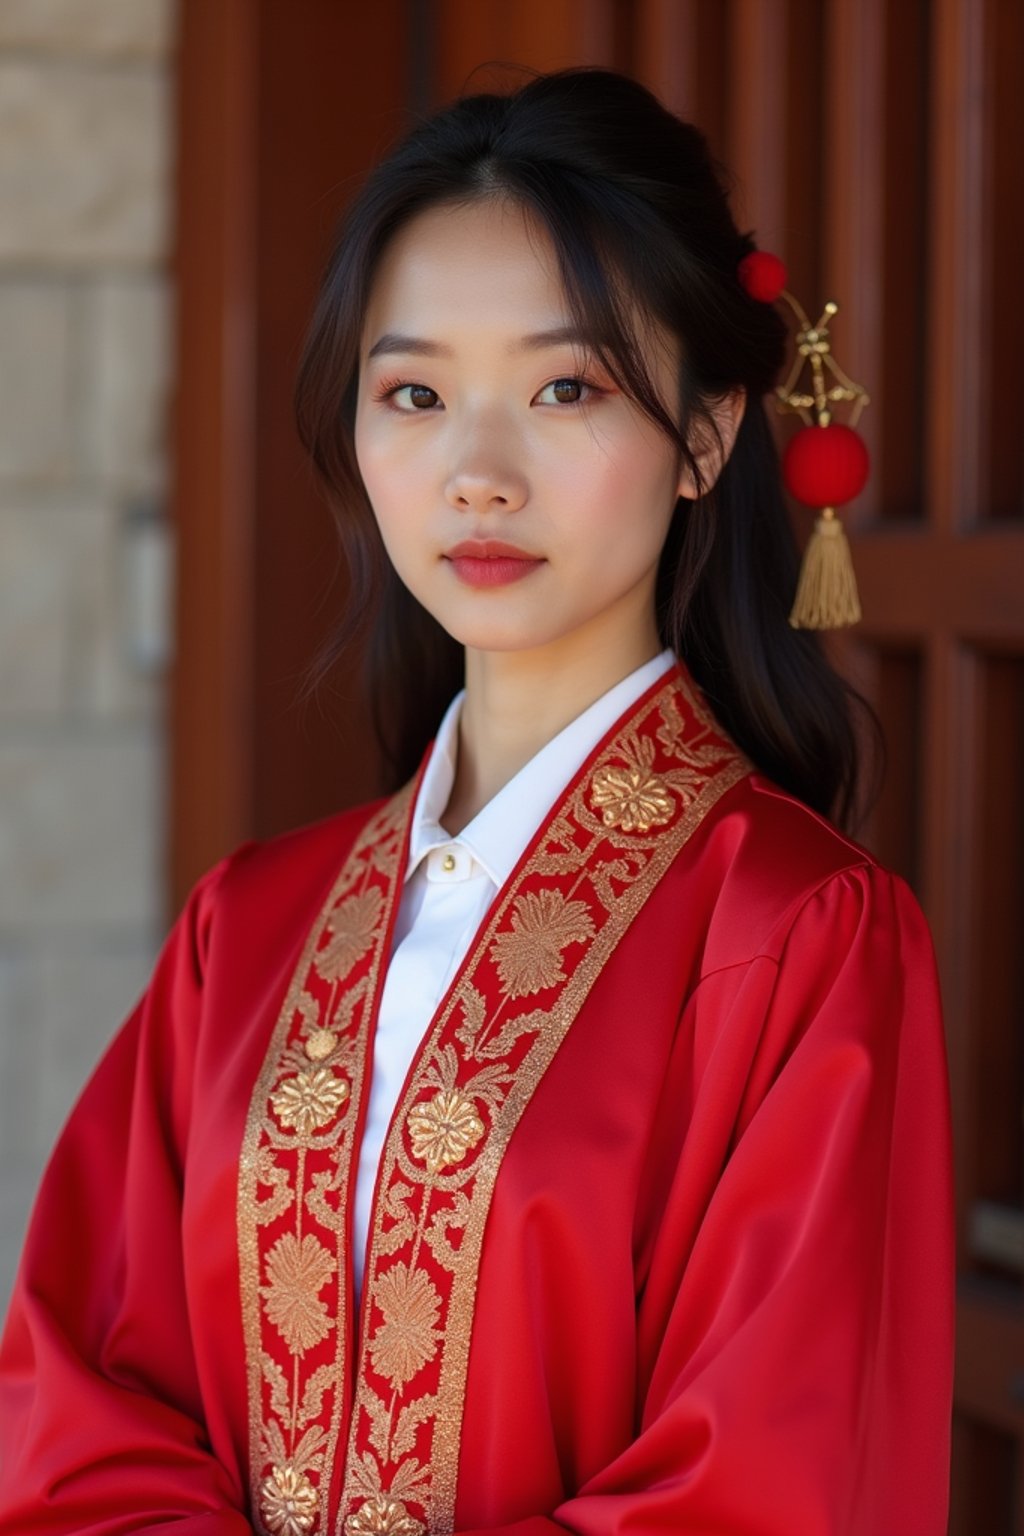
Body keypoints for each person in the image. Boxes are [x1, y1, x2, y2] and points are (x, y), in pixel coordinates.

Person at [0, 67, 954, 1536]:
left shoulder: (797, 937)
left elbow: (769, 1482)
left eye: (565, 387)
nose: (477, 474)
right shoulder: (245, 933)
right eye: (417, 394)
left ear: (706, 436)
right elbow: (81, 1399)